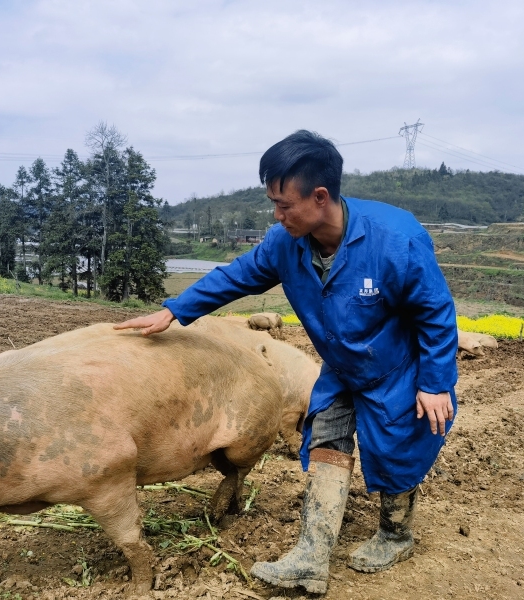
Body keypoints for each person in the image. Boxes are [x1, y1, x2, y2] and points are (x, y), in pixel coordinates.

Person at [114, 130, 458, 594]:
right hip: (340, 366)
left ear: (320, 196)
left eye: (283, 205)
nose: (277, 216)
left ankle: (395, 534)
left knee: (396, 451)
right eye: (272, 204)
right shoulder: (286, 243)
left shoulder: (396, 239)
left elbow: (436, 312)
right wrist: (176, 309)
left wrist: (434, 382)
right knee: (326, 439)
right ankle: (312, 556)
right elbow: (237, 275)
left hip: (397, 367)